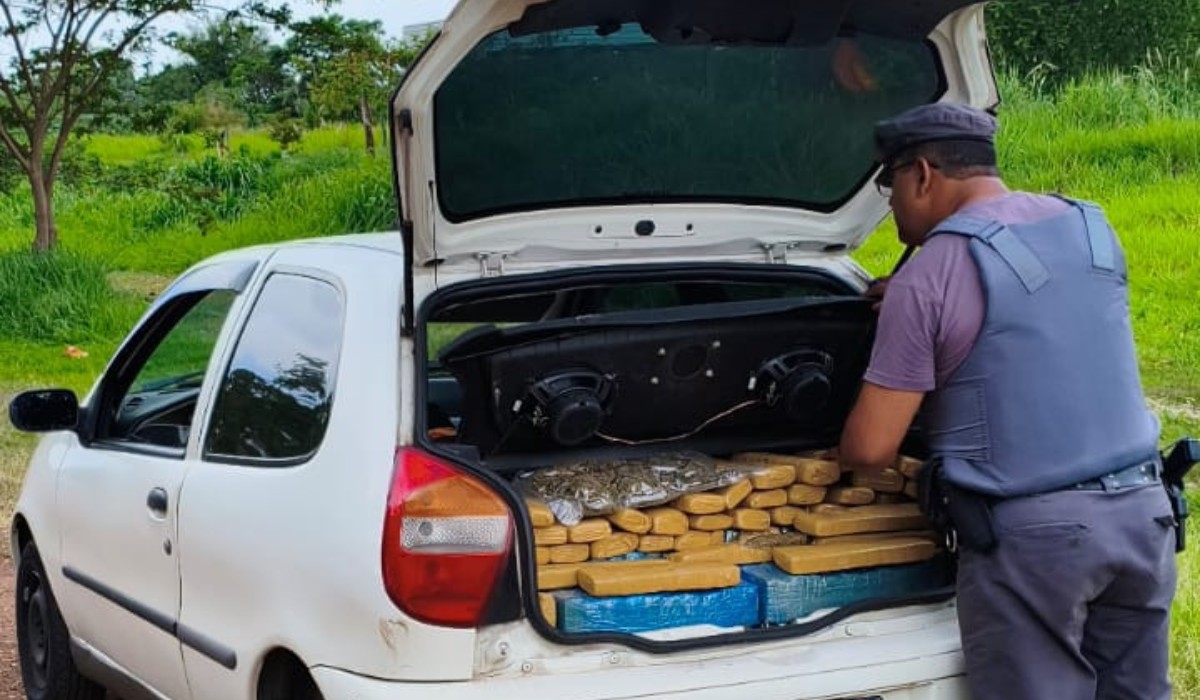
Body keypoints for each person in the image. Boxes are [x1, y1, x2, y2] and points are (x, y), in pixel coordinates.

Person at [838, 102, 1177, 700]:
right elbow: (1035, 317)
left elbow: (869, 450)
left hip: (1038, 544)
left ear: (922, 174)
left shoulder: (929, 277)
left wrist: (914, 312)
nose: (891, 209)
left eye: (890, 188)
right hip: (1144, 514)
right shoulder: (1092, 227)